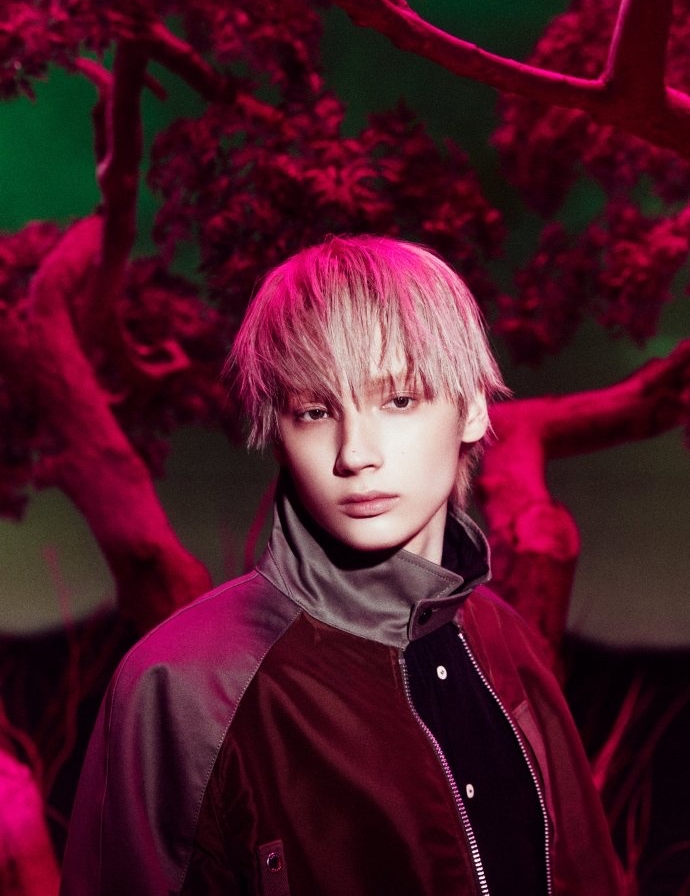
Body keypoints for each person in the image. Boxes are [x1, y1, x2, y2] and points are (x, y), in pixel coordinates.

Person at [60, 235, 625, 895]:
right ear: (278, 433)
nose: (355, 453)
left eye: (398, 400)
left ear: (472, 407)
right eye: (315, 410)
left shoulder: (508, 643)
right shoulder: (178, 687)